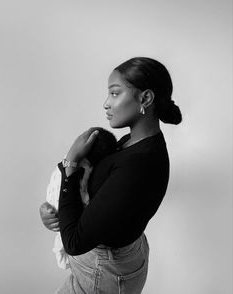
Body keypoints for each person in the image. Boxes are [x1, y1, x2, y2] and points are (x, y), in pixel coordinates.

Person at [39, 56, 182, 294]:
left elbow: (74, 242)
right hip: (108, 264)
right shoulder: (133, 142)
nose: (106, 103)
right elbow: (102, 198)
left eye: (115, 93)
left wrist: (70, 162)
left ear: (145, 98)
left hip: (104, 271)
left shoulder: (139, 163)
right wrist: (55, 211)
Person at [44, 128, 117, 269]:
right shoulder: (82, 168)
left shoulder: (70, 160)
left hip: (67, 223)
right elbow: (83, 198)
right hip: (65, 218)